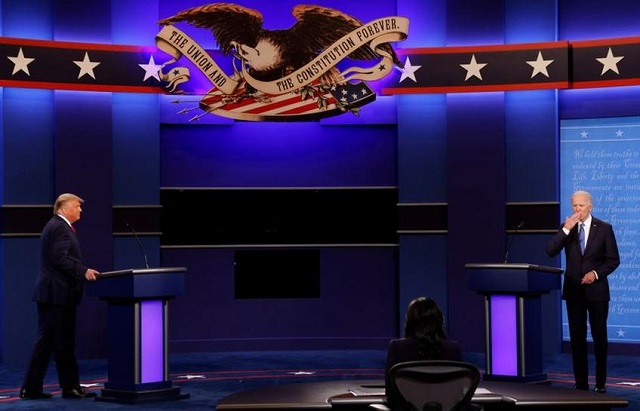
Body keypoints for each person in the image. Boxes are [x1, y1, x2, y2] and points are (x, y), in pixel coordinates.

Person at [19, 193, 100, 400]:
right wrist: (83, 271)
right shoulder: (58, 228)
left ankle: (65, 387)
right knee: (50, 343)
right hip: (55, 295)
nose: (80, 210)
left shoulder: (58, 226)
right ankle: (37, 388)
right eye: (77, 207)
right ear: (64, 208)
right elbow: (59, 259)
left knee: (61, 343)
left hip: (58, 295)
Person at [546, 190, 620, 393]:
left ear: (590, 206)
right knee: (577, 339)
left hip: (597, 292)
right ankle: (580, 383)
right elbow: (550, 250)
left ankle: (601, 383)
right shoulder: (567, 228)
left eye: (581, 205)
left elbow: (613, 260)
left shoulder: (604, 229)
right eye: (574, 206)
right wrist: (565, 230)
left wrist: (595, 273)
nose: (577, 209)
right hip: (574, 292)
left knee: (599, 337)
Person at [385, 297, 462, 390]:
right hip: (447, 404)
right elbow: (459, 391)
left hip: (406, 404)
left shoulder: (397, 347)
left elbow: (390, 390)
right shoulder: (454, 349)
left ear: (409, 321)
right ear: (439, 321)